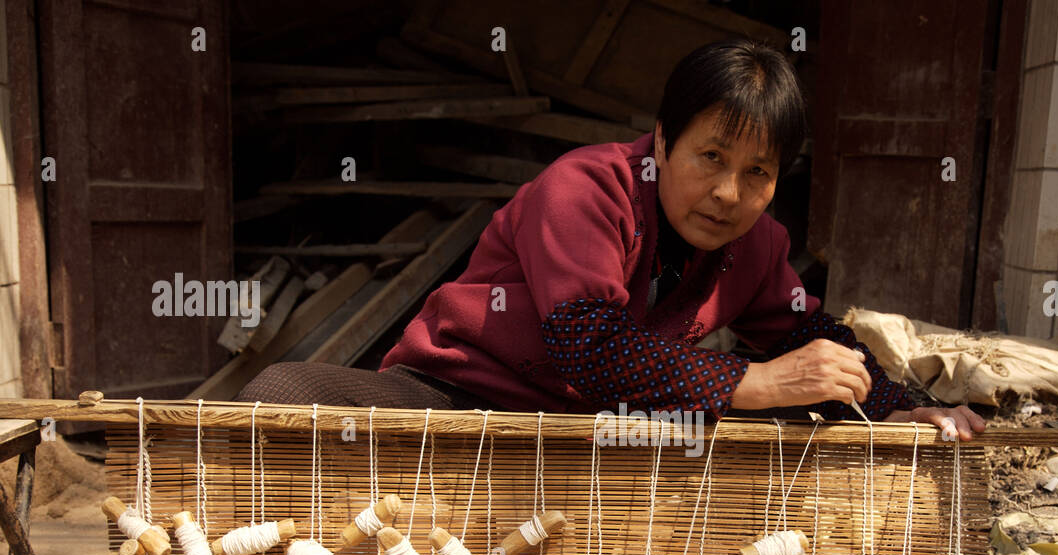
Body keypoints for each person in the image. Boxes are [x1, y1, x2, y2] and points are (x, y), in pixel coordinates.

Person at [238, 39, 986, 440]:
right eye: (711, 158)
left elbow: (810, 331)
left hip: (600, 434)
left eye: (758, 172)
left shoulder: (757, 244)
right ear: (662, 141)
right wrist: (752, 382)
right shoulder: (585, 187)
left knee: (819, 418)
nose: (729, 193)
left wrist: (893, 403)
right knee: (278, 396)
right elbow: (586, 345)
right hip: (456, 396)